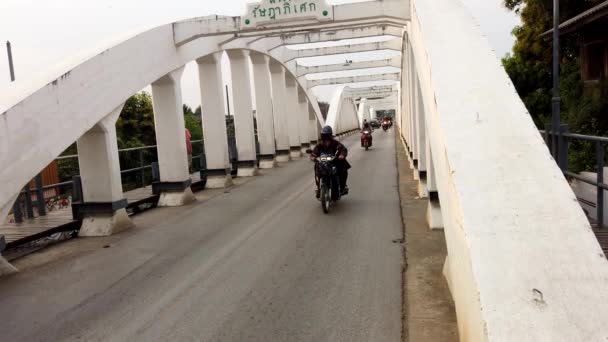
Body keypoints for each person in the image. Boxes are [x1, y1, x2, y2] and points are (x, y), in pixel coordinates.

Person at [310, 126, 351, 197]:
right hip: (322, 163)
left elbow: (343, 149)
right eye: (324, 135)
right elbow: (314, 152)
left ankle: (342, 187)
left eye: (327, 135)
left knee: (343, 170)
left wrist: (341, 155)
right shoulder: (319, 144)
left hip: (334, 162)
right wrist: (313, 157)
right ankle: (318, 189)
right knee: (317, 170)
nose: (325, 137)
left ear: (330, 135)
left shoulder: (335, 143)